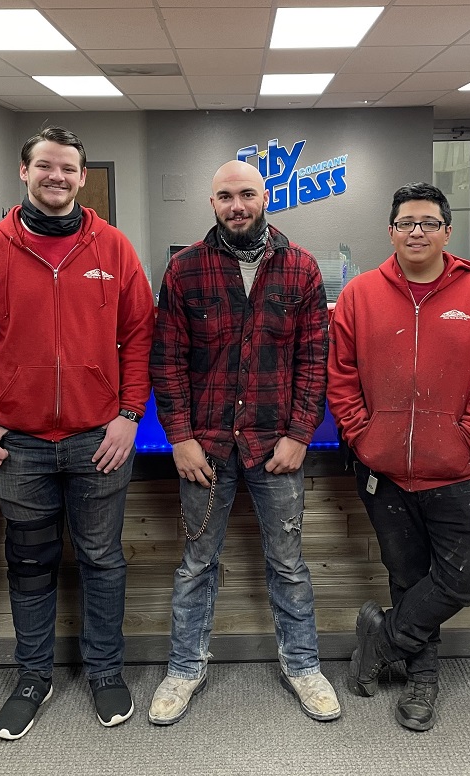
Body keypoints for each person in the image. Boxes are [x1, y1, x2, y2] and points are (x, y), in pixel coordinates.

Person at [0, 126, 155, 739]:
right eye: (45, 167)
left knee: (101, 561)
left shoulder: (113, 249)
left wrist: (128, 415)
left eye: (67, 169)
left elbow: (141, 334)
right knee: (30, 563)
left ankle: (105, 671)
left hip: (99, 440)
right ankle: (33, 676)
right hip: (19, 446)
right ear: (24, 172)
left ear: (81, 178)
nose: (56, 177)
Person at [147, 159, 340, 725]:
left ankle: (303, 666)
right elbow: (168, 361)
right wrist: (179, 438)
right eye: (226, 196)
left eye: (247, 194)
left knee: (288, 564)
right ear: (212, 203)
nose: (237, 205)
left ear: (265, 198)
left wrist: (300, 435)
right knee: (195, 565)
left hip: (276, 450)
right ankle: (184, 669)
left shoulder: (300, 268)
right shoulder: (184, 269)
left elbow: (313, 361)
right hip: (205, 449)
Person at [327, 182, 470, 732]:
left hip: (458, 469)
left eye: (428, 223)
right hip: (383, 471)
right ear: (390, 231)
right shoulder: (360, 295)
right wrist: (364, 437)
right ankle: (422, 678)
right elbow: (341, 376)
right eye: (407, 222)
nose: (417, 232)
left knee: (466, 578)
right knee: (407, 577)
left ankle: (383, 640)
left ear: (446, 232)